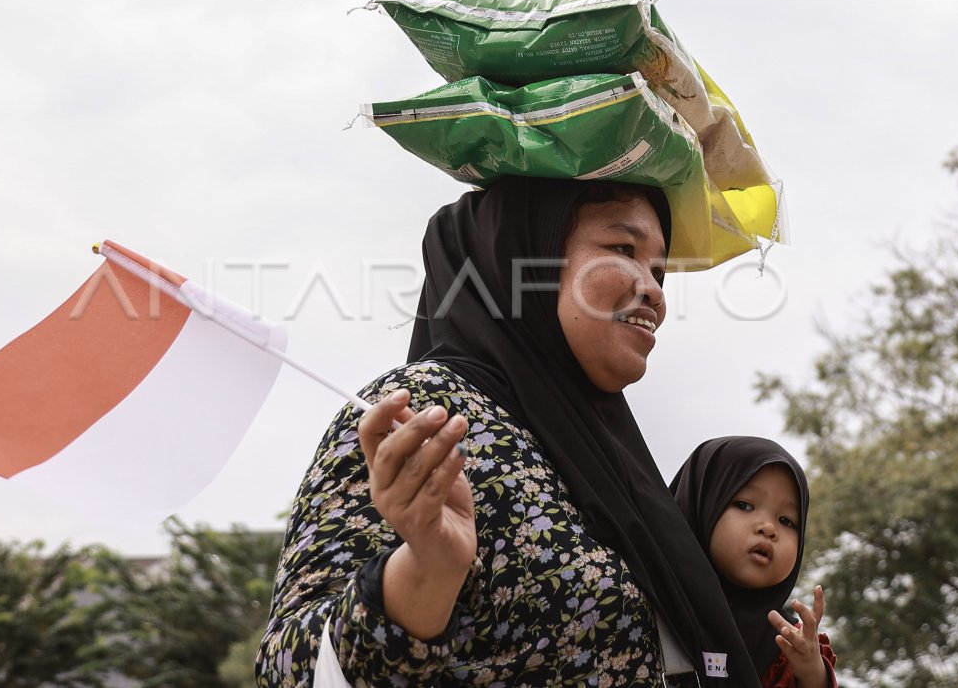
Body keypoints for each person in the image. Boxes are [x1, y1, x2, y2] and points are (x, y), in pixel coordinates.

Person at [257, 176, 766, 687]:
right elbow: (289, 671)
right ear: (524, 258)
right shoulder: (422, 409)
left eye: (659, 268)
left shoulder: (613, 457)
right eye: (622, 249)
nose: (654, 289)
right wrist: (423, 574)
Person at [670, 437, 839, 688]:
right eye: (745, 505)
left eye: (786, 520)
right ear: (700, 505)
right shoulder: (640, 599)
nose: (769, 528)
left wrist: (812, 673)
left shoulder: (786, 646)